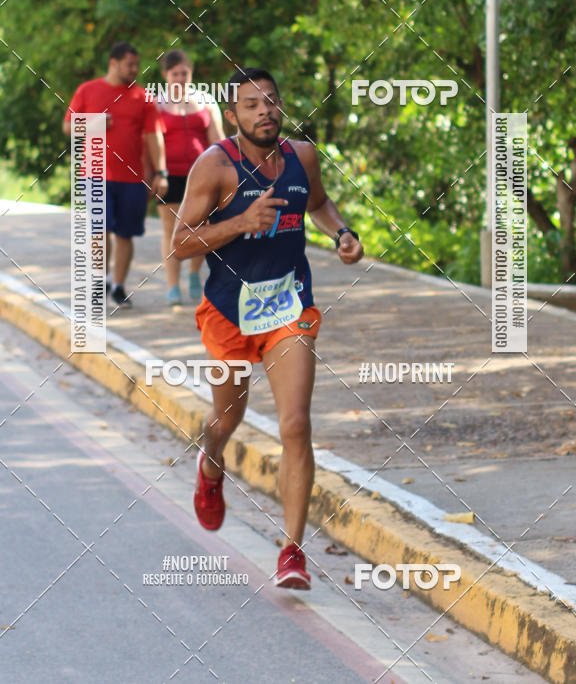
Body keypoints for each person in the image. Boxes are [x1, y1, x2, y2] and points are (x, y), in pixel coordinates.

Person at [172, 67, 363, 589]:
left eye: (272, 101)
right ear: (232, 117)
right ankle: (211, 467)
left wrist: (342, 233)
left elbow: (318, 203)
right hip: (229, 313)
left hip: (288, 305)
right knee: (225, 420)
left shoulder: (303, 157)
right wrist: (240, 222)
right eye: (252, 105)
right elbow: (180, 243)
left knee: (296, 424)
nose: (265, 111)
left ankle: (292, 552)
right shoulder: (215, 167)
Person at [63, 42, 168, 308]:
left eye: (136, 65)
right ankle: (98, 284)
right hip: (95, 174)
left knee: (125, 234)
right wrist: (94, 122)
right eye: (129, 65)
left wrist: (160, 171)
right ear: (113, 63)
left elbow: (153, 136)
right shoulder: (88, 90)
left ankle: (118, 286)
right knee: (99, 230)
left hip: (132, 177)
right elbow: (67, 126)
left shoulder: (143, 97)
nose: (135, 69)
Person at [155, 49, 224, 306]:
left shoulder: (205, 101)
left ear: (191, 73)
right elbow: (151, 141)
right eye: (175, 74)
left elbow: (217, 139)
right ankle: (173, 286)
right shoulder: (157, 104)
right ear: (165, 76)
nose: (181, 78)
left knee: (202, 227)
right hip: (169, 175)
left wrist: (223, 172)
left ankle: (194, 273)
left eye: (185, 73)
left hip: (201, 175)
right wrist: (154, 173)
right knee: (171, 230)